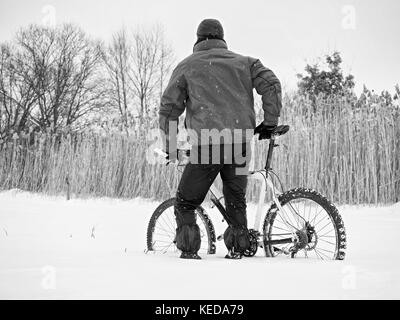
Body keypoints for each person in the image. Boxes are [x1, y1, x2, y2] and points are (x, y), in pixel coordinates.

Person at [159, 18, 282, 259]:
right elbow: (271, 83)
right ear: (221, 38)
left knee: (186, 202)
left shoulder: (187, 66)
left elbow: (169, 109)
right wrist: (269, 122)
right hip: (240, 141)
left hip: (208, 142)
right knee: (236, 200)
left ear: (198, 39)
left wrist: (171, 148)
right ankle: (239, 247)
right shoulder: (245, 63)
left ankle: (188, 252)